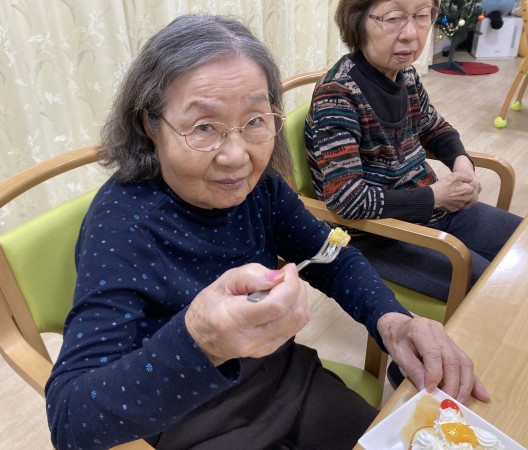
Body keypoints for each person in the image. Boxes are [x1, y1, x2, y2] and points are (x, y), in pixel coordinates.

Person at [45, 14, 489, 450]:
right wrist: (202, 341)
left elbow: (330, 257)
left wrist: (392, 322)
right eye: (204, 127)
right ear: (150, 124)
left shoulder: (260, 188)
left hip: (288, 383)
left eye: (255, 120)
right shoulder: (122, 225)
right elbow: (69, 421)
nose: (237, 157)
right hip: (188, 419)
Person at [304, 0, 522, 305]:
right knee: (499, 291)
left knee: (521, 250)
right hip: (381, 236)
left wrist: (462, 165)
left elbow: (435, 128)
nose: (411, 34)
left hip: (434, 211)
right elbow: (347, 199)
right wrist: (436, 196)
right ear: (358, 21)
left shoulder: (404, 74)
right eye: (394, 18)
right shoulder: (337, 95)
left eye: (421, 16)